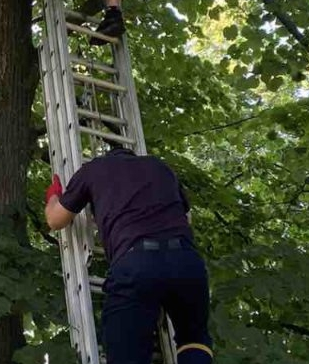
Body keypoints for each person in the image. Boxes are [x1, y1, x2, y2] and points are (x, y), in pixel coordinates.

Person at [44, 146, 213, 364]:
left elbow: (55, 220)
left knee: (126, 351)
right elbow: (186, 218)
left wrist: (53, 196)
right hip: (186, 262)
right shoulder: (161, 167)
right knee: (194, 339)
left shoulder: (93, 170)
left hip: (136, 263)